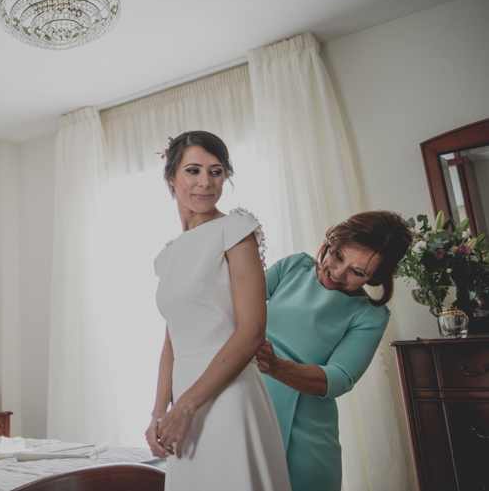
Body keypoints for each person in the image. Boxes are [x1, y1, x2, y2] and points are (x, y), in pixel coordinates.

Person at [145, 131, 290, 490]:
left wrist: (186, 407)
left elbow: (251, 332)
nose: (206, 183)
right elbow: (172, 343)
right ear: (171, 177)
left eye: (216, 171)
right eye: (193, 170)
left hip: (229, 394)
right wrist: (160, 411)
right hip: (184, 402)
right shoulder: (167, 256)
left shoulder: (235, 231)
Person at [255, 211, 413, 491]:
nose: (338, 273)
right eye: (338, 256)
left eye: (358, 272)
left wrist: (275, 366)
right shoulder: (292, 268)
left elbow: (339, 378)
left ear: (376, 278)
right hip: (248, 405)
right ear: (330, 244)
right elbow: (236, 307)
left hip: (305, 435)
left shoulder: (370, 316)